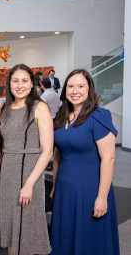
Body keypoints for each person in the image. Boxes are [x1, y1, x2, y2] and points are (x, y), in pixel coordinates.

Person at [49, 69, 120, 255]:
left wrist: (102, 197)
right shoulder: (60, 117)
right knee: (65, 236)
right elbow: (58, 154)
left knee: (89, 239)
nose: (75, 91)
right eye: (70, 86)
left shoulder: (99, 116)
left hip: (90, 189)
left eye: (81, 86)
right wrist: (55, 186)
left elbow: (108, 158)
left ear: (90, 89)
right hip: (65, 189)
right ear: (64, 90)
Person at [0, 64, 53, 255]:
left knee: (28, 231)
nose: (20, 85)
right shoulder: (4, 109)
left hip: (29, 174)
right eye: (15, 81)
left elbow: (47, 151)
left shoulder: (39, 108)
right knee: (10, 230)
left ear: (32, 84)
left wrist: (29, 184)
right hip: (5, 175)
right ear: (8, 84)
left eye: (25, 81)